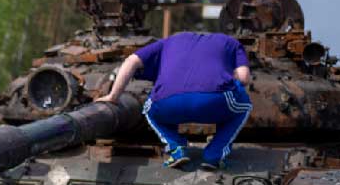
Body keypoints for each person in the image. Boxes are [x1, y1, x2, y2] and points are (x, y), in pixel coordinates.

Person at [97, 31, 252, 169]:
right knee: (243, 106)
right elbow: (244, 78)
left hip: (167, 104)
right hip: (214, 101)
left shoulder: (168, 41)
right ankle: (214, 154)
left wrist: (113, 96)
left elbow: (131, 61)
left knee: (149, 110)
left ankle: (176, 148)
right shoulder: (231, 42)